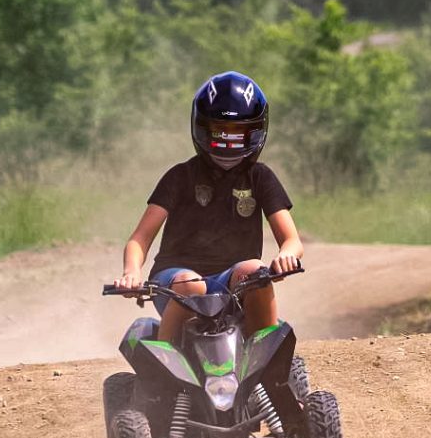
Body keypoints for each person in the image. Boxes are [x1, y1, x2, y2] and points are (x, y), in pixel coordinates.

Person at [113, 70, 303, 345]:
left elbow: (291, 240)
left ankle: (263, 363)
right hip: (176, 282)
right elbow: (139, 239)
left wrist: (286, 256)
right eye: (220, 133)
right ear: (201, 129)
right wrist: (131, 273)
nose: (228, 142)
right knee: (193, 285)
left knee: (256, 271)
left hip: (235, 284)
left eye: (238, 134)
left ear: (257, 132)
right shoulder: (180, 176)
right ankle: (168, 366)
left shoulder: (260, 177)